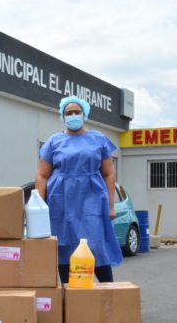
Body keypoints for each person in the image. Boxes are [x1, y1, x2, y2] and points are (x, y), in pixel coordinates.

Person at [35, 95, 123, 284]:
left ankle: (111, 295)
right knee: (64, 245)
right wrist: (40, 208)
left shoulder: (98, 139)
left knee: (95, 244)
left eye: (77, 112)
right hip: (61, 201)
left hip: (92, 199)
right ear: (62, 116)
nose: (73, 115)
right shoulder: (53, 142)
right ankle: (70, 299)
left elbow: (109, 174)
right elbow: (41, 175)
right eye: (69, 113)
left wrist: (110, 206)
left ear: (84, 114)